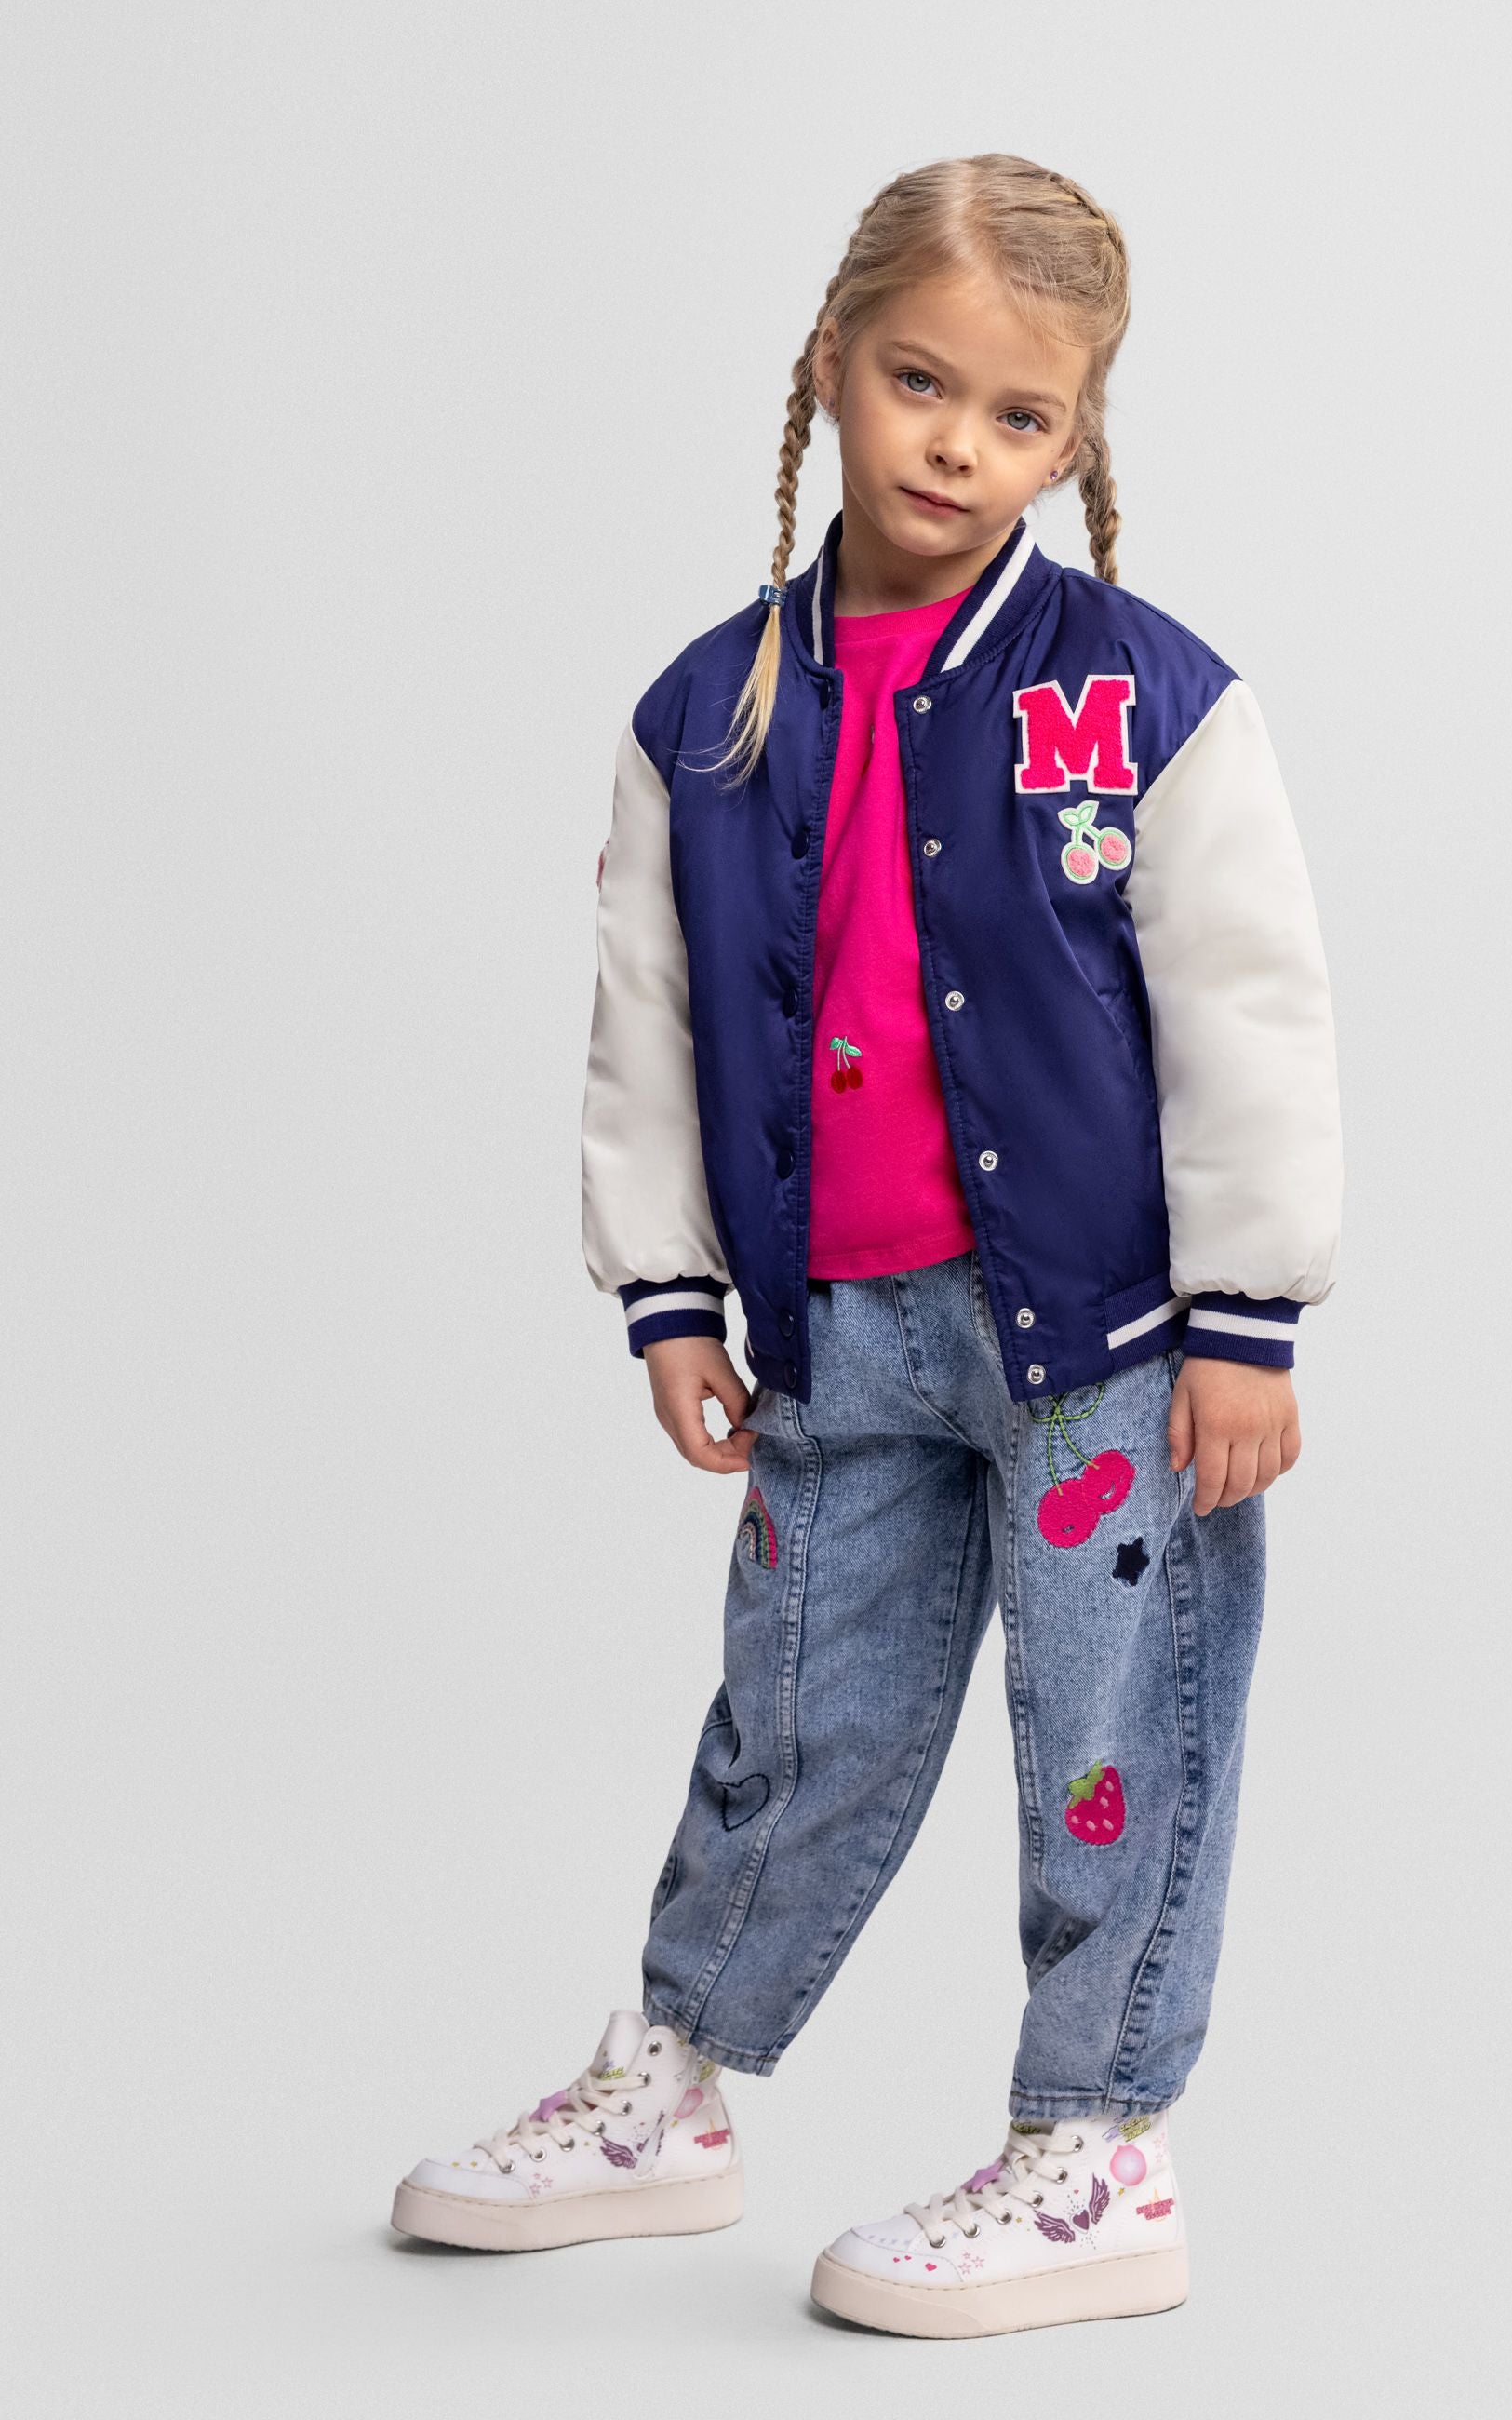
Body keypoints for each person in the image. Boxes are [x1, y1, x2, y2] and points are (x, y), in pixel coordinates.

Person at [391, 151, 1342, 2340]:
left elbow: (1252, 1007)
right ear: (830, 363)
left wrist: (1250, 1314)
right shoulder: (706, 714)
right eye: (919, 381)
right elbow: (645, 1015)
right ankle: (673, 2086)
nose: (955, 445)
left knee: (1110, 1735)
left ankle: (1097, 2144)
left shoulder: (1150, 698)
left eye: (1019, 414)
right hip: (838, 1331)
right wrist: (668, 1289)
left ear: (1073, 441)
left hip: (1111, 1344)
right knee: (793, 1715)